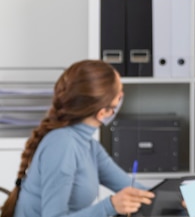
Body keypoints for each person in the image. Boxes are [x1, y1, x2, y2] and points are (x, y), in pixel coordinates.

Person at [1, 60, 154, 217]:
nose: (122, 99)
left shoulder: (89, 146)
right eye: (120, 95)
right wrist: (110, 206)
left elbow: (138, 192)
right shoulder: (62, 144)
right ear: (103, 112)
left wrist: (179, 200)